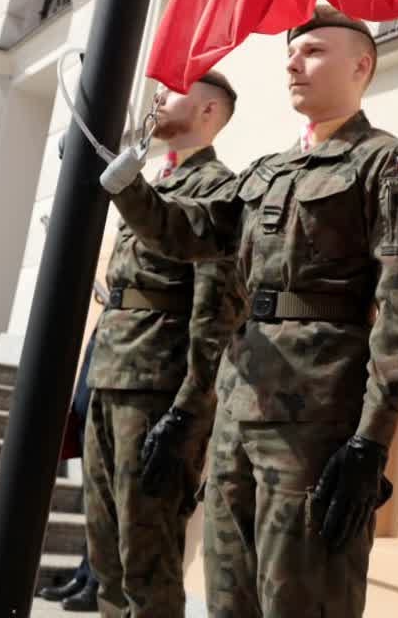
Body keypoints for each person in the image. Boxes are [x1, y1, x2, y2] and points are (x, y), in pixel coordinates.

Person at [104, 5, 398, 618]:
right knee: (228, 597)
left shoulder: (385, 165)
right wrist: (131, 190)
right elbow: (192, 235)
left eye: (313, 50)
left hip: (317, 417)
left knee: (300, 596)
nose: (293, 62)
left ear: (361, 65)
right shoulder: (268, 171)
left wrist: (372, 441)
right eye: (291, 52)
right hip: (242, 405)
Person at [81, 71, 241, 617]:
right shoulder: (159, 181)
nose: (157, 98)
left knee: (146, 559)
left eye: (173, 90)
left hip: (157, 390)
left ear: (209, 112)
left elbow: (216, 309)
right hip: (111, 377)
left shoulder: (216, 188)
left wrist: (190, 412)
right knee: (106, 555)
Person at [40, 332, 102, 612]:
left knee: (106, 505)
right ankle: (84, 573)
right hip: (90, 405)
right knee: (94, 503)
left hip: (115, 402)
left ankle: (96, 581)